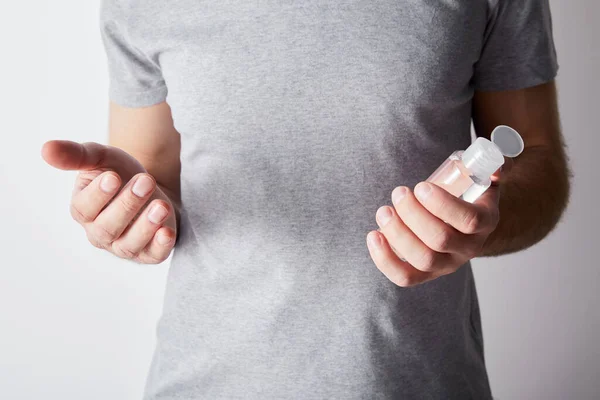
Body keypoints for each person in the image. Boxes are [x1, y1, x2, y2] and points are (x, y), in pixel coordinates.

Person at [41, 0, 571, 398]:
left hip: (415, 382)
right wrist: (128, 212)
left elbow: (537, 160)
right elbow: (155, 178)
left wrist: (483, 225)